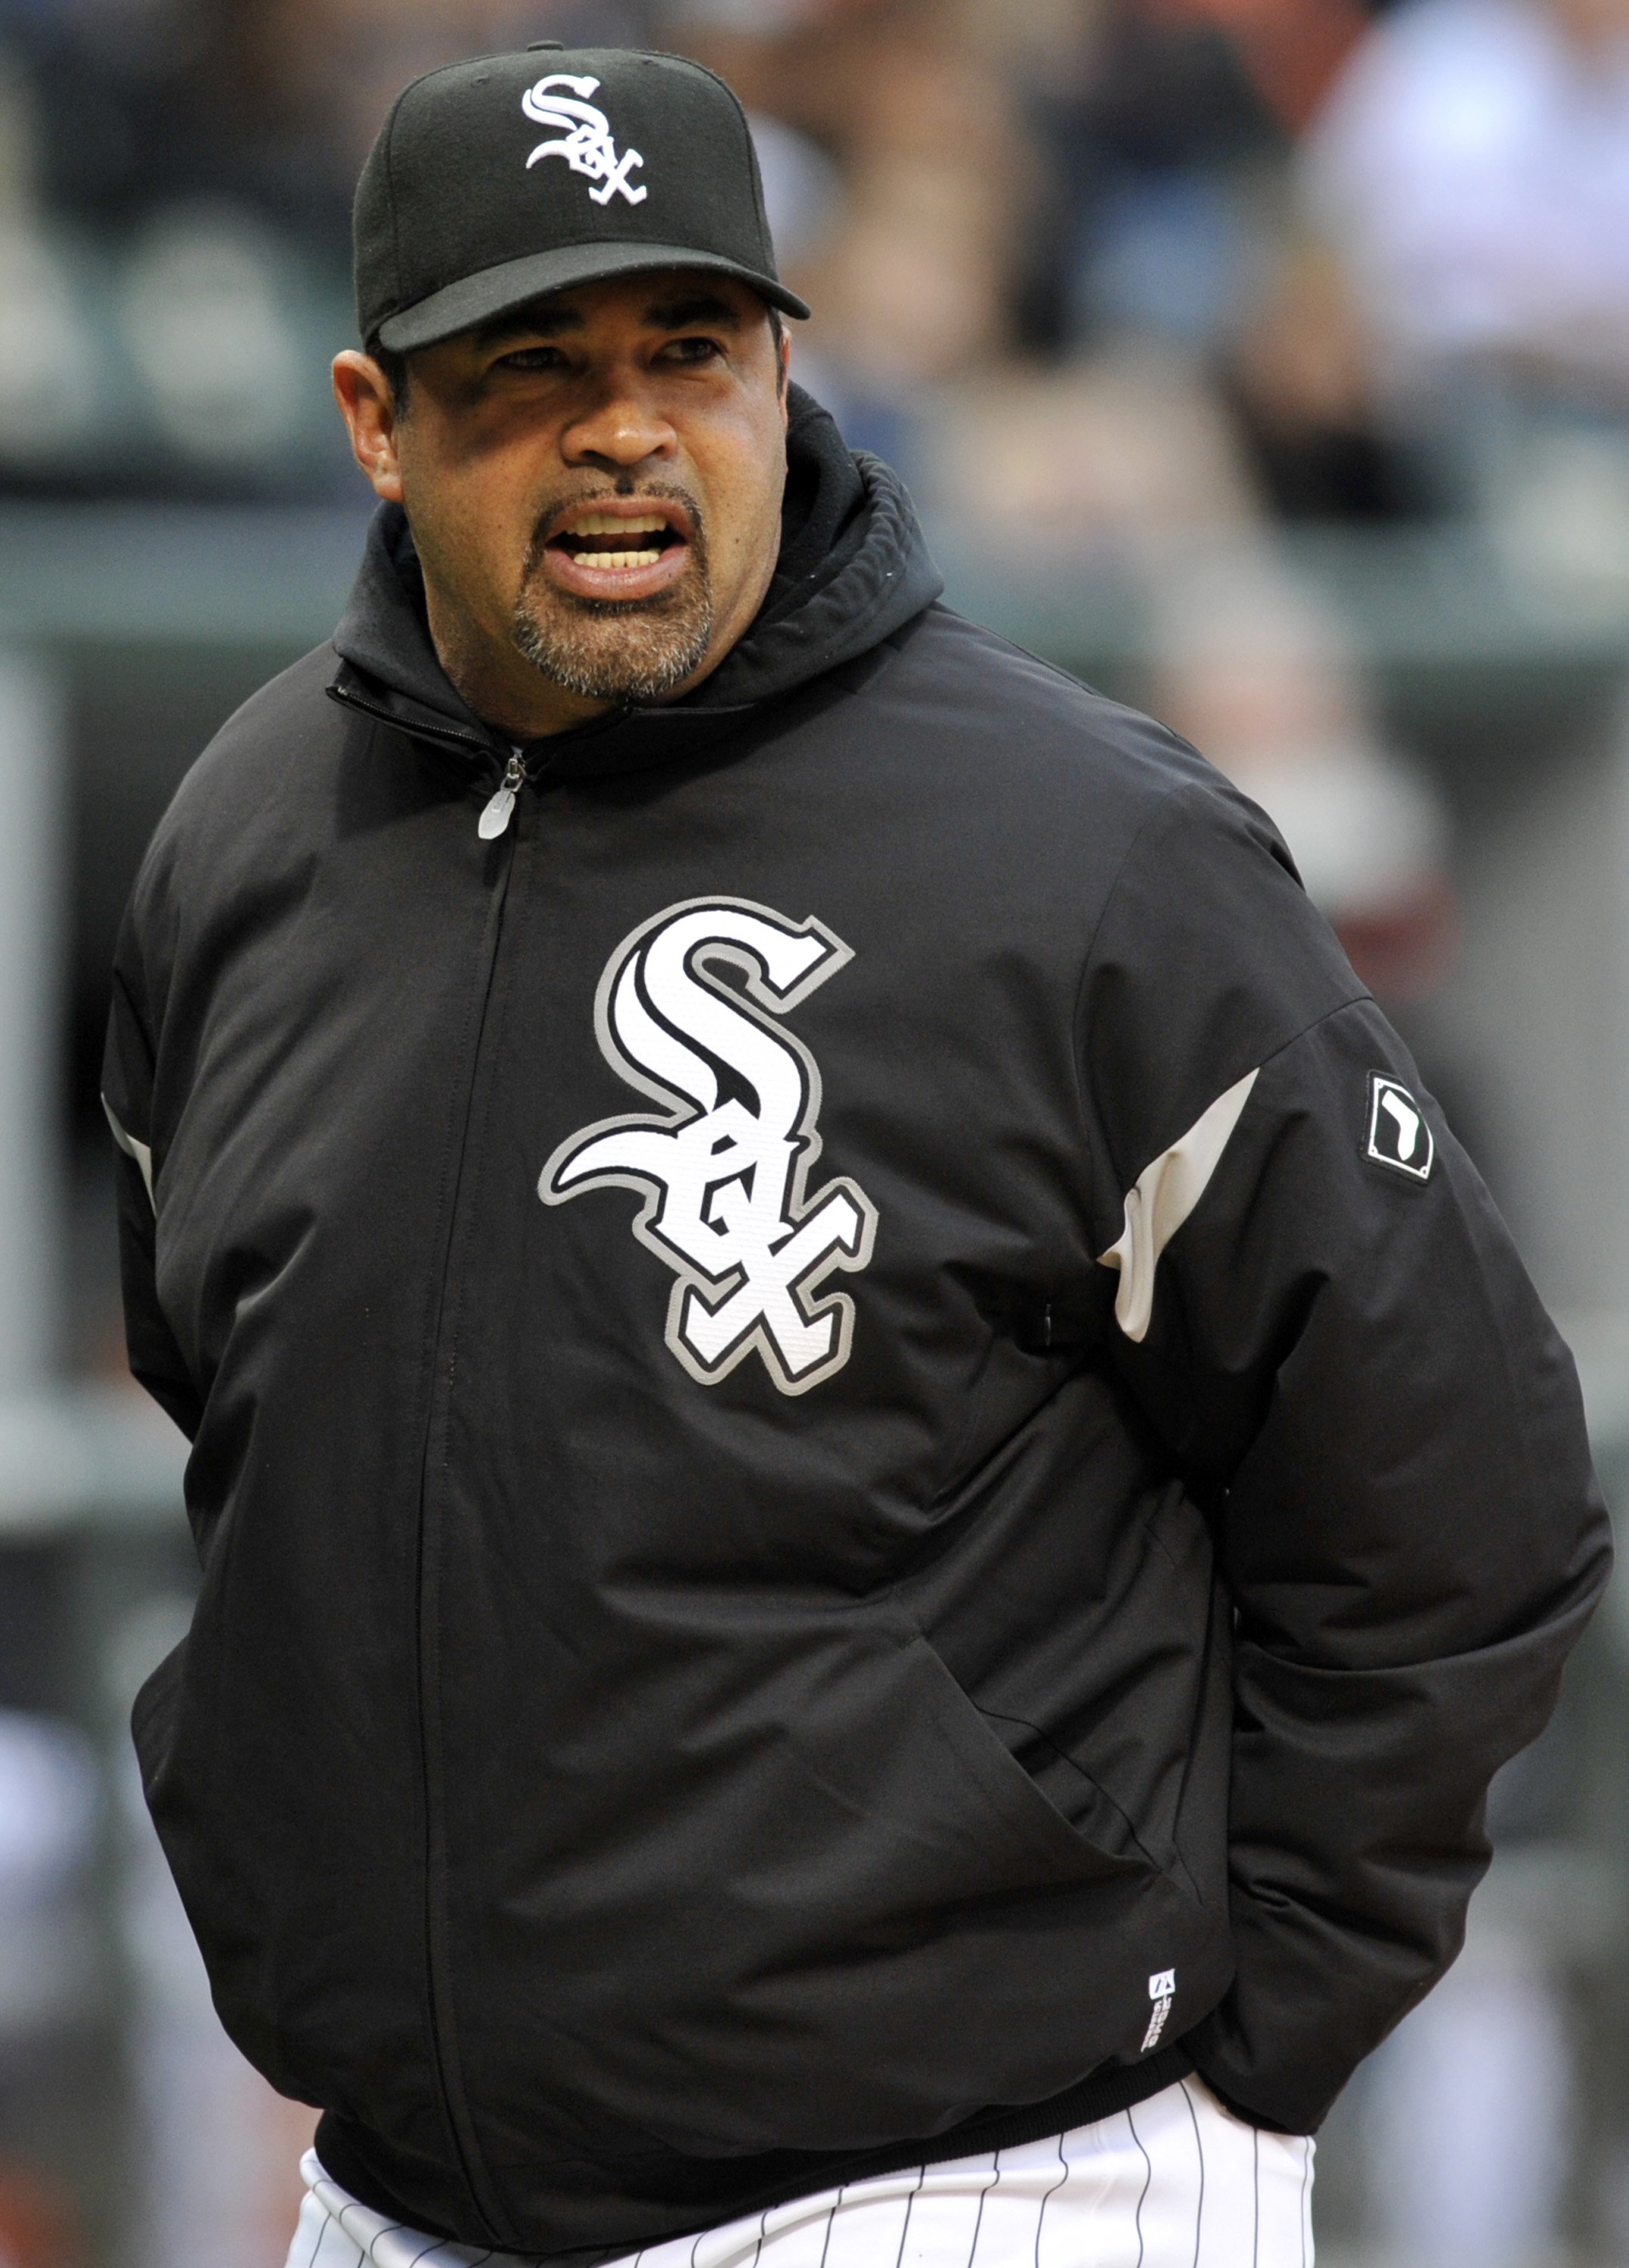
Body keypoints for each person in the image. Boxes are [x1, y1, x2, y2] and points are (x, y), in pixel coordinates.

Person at [100, 42, 1609, 2268]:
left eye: (689, 350)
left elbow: (1453, 1492)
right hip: (405, 2191)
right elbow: (225, 1386)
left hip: (974, 2177)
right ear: (373, 417)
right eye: (531, 365)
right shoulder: (249, 837)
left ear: (784, 373)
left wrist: (1249, 2029)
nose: (626, 428)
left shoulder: (1084, 853)